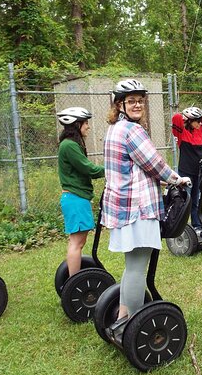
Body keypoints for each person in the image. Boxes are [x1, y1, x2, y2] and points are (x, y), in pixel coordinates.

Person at [103, 79, 190, 341]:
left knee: (132, 268)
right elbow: (154, 163)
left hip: (123, 207)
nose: (137, 104)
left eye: (140, 99)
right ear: (120, 104)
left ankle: (121, 320)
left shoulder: (114, 129)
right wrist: (177, 179)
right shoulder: (132, 131)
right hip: (138, 209)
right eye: (131, 101)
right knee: (137, 270)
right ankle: (136, 327)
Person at [57, 107, 105, 277]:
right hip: (75, 198)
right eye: (85, 123)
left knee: (78, 241)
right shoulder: (69, 145)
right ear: (76, 125)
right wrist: (110, 169)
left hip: (77, 198)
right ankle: (74, 281)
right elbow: (88, 168)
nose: (88, 126)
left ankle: (73, 279)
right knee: (77, 242)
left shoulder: (71, 144)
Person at [171, 105, 202, 236]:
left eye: (201, 121)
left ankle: (196, 226)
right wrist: (186, 114)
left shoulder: (200, 131)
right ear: (189, 120)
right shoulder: (181, 132)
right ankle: (178, 227)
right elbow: (176, 118)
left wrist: (200, 113)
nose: (201, 123)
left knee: (196, 201)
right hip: (185, 172)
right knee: (184, 201)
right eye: (197, 121)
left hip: (198, 172)